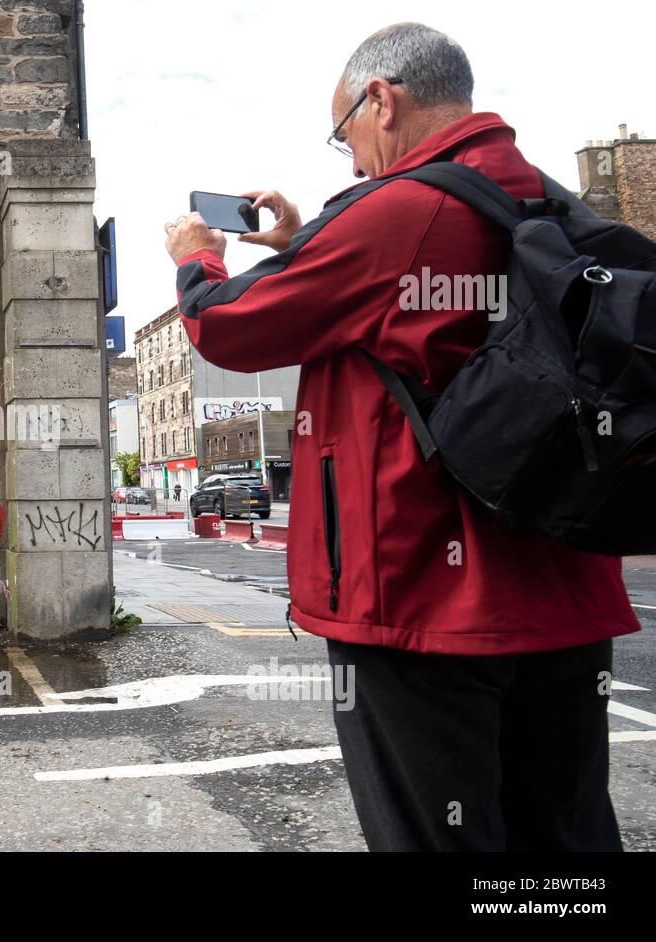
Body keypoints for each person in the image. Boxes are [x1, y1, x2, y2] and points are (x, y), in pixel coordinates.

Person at [163, 22, 639, 851]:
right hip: (568, 587)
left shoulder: (399, 213)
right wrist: (305, 243)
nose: (349, 159)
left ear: (382, 98)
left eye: (345, 131)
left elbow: (229, 328)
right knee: (565, 844)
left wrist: (198, 259)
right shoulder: (546, 200)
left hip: (422, 602)